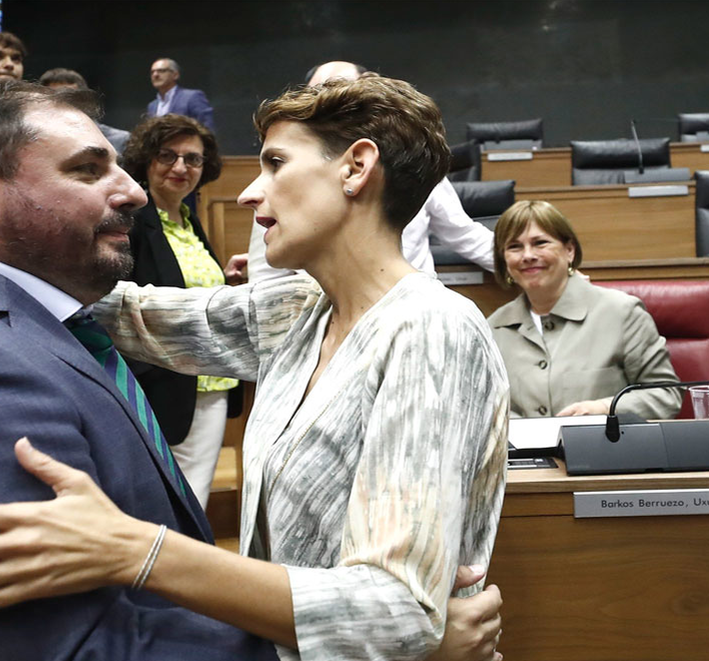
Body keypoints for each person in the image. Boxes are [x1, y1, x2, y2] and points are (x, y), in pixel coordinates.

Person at [0, 79, 502, 661]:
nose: (252, 194)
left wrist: (141, 549)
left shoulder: (429, 325)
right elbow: (130, 311)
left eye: (275, 164)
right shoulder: (304, 310)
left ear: (354, 168)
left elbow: (400, 614)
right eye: (87, 169)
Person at [247, 60, 494, 283]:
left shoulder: (412, 167)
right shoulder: (279, 188)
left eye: (335, 93)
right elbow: (264, 282)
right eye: (314, 94)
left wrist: (523, 264)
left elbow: (465, 235)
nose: (320, 107)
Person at [115, 114, 239, 510]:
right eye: (167, 156)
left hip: (209, 384)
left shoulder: (188, 221)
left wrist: (226, 280)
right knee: (159, 500)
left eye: (193, 159)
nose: (181, 167)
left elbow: (188, 287)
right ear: (146, 161)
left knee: (193, 495)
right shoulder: (132, 221)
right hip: (157, 385)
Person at [487, 200, 682, 418]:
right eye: (514, 247)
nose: (528, 255)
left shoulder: (622, 313)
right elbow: (485, 405)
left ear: (569, 250)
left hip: (605, 450)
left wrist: (606, 409)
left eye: (540, 243)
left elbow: (666, 394)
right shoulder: (492, 328)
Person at [39, 67, 129, 152]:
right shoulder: (37, 140)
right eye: (56, 97)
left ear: (83, 99)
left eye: (69, 96)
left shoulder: (120, 140)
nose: (63, 102)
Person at [147, 57, 216, 132]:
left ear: (175, 75)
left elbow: (207, 128)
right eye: (152, 72)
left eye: (162, 71)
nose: (155, 75)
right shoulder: (152, 106)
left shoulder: (192, 97)